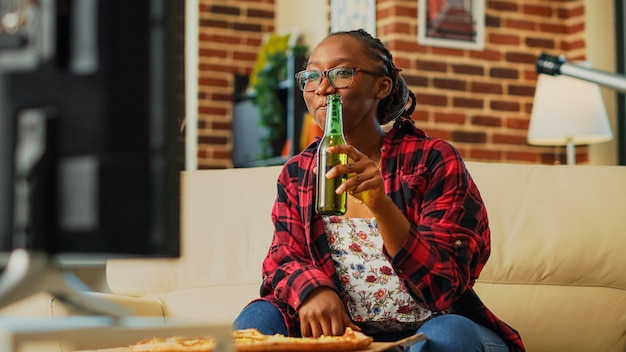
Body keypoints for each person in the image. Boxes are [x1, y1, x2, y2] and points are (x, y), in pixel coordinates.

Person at [233, 29, 525, 352]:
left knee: (448, 338)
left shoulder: (432, 161)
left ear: (382, 86)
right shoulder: (299, 172)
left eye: (341, 73)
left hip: (431, 328)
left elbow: (444, 286)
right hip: (343, 335)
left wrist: (380, 204)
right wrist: (312, 291)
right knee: (256, 319)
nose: (323, 88)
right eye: (312, 76)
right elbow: (282, 257)